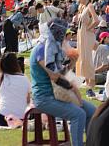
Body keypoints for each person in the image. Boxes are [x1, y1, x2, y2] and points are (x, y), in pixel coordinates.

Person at [30, 18, 95, 146]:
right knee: (79, 115)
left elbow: (60, 73)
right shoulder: (41, 50)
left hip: (56, 95)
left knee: (92, 111)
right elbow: (54, 76)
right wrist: (73, 89)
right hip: (44, 97)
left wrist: (72, 63)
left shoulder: (50, 47)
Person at [75, 0, 99, 92]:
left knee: (87, 58)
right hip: (81, 34)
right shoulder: (83, 7)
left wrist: (89, 28)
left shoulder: (90, 6)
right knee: (82, 58)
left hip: (86, 35)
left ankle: (91, 83)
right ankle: (87, 81)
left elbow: (96, 20)